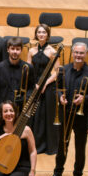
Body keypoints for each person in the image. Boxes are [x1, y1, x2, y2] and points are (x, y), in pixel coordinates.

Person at [48, 42, 88, 176]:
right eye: (76, 52)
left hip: (81, 116)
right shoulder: (63, 70)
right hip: (65, 113)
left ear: (86, 54)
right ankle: (58, 173)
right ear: (72, 53)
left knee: (80, 147)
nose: (78, 55)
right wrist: (60, 96)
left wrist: (84, 98)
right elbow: (57, 88)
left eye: (81, 53)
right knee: (61, 145)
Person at [26, 24, 60, 154]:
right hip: (34, 84)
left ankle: (45, 145)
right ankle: (31, 143)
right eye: (39, 32)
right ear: (36, 34)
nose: (41, 34)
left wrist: (45, 83)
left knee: (45, 115)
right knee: (32, 114)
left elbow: (57, 72)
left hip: (47, 85)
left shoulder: (52, 51)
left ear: (48, 35)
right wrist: (34, 83)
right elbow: (28, 69)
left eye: (44, 32)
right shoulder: (31, 51)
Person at [0, 37, 35, 121]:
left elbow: (31, 89)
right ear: (8, 49)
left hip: (21, 110)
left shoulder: (28, 68)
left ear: (21, 50)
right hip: (3, 110)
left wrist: (24, 99)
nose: (15, 52)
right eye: (12, 49)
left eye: (17, 49)